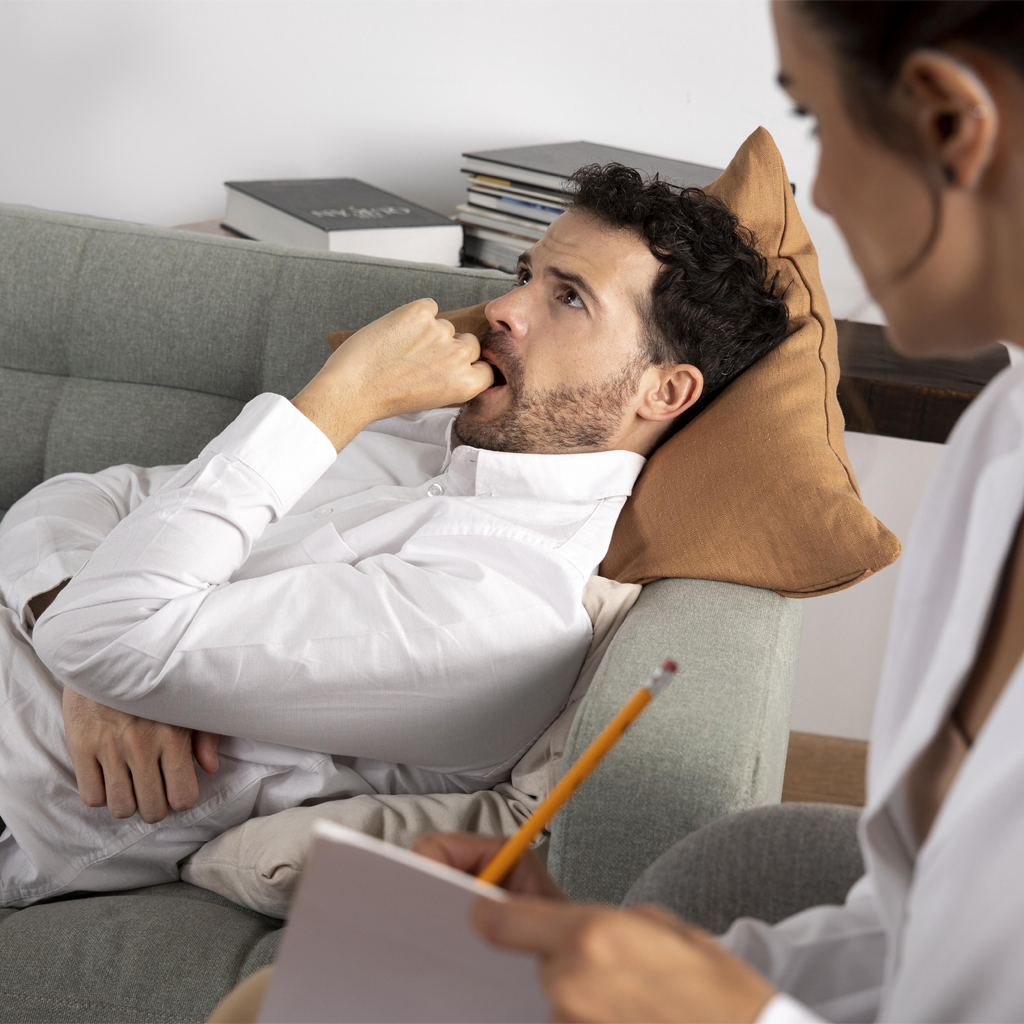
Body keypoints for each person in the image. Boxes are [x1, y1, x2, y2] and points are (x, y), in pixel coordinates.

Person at [406, 2, 1024, 1022]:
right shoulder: (1002, 432)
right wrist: (638, 963)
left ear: (951, 121)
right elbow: (917, 941)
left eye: (819, 123)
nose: (824, 196)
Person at [0, 164, 789, 908]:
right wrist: (70, 635)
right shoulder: (422, 431)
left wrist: (339, 398)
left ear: (665, 389)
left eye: (570, 299)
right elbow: (89, 496)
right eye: (526, 276)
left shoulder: (499, 608)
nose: (505, 310)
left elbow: (109, 635)